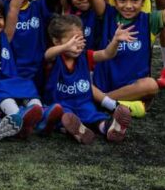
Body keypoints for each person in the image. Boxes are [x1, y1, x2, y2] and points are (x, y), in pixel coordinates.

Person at [0, 0, 63, 137]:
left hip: (11, 81)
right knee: (3, 93)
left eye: (0, 17)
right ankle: (18, 117)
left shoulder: (5, 36)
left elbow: (14, 8)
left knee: (27, 85)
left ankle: (42, 116)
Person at [43, 15, 134, 145]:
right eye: (73, 41)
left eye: (81, 39)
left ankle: (109, 128)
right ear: (57, 41)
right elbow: (48, 54)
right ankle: (74, 130)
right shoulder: (55, 58)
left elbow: (106, 54)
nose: (78, 45)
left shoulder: (85, 56)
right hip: (62, 104)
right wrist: (66, 47)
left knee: (94, 116)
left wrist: (116, 41)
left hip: (83, 103)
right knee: (65, 116)